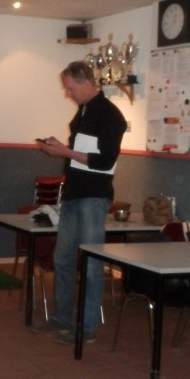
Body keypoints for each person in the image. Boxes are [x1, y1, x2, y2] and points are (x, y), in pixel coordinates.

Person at [32, 61, 127, 344]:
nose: (68, 94)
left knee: (92, 264)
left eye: (71, 88)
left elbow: (105, 161)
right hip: (73, 194)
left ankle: (87, 328)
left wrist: (66, 152)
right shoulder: (83, 110)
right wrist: (60, 148)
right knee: (62, 260)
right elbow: (78, 152)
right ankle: (62, 318)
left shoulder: (111, 116)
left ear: (86, 83)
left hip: (93, 197)